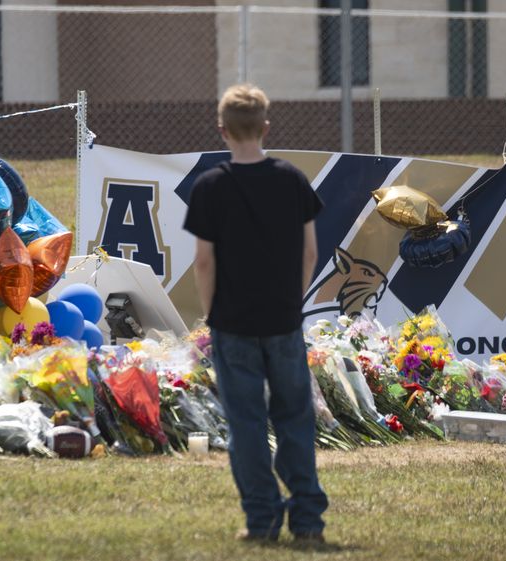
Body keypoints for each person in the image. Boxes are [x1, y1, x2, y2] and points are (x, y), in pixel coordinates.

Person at [183, 83, 328, 543]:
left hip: (234, 322)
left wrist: (212, 313)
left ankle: (262, 518)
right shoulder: (292, 180)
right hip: (283, 320)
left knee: (246, 425)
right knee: (295, 420)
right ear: (266, 127)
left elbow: (204, 261)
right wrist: (293, 301)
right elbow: (309, 254)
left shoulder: (210, 187)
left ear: (222, 130)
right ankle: (307, 520)